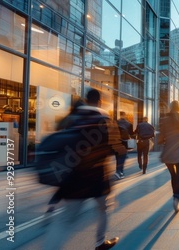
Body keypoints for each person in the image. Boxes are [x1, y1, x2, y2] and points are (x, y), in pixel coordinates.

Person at [44, 89, 126, 249]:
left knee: (65, 219)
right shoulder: (105, 119)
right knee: (104, 208)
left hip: (73, 177)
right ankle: (100, 242)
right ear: (99, 101)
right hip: (98, 176)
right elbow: (116, 148)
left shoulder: (71, 119)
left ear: (86, 101)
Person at [115, 111, 134, 179]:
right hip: (125, 142)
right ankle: (120, 171)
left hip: (116, 142)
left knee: (117, 157)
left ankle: (118, 171)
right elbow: (131, 134)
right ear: (125, 115)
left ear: (120, 115)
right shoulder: (129, 124)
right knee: (122, 157)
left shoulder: (115, 122)